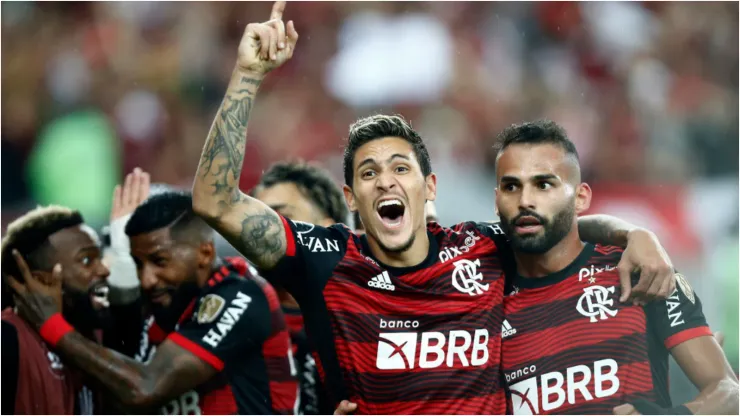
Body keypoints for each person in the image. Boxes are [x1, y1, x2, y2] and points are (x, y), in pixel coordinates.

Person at [190, 2, 677, 414]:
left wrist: (634, 234)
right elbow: (215, 201)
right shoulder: (328, 257)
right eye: (367, 173)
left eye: (400, 169)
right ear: (349, 198)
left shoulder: (482, 247)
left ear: (430, 188)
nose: (385, 180)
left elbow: (556, 225)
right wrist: (248, 76)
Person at [494, 120, 739, 415]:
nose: (525, 200)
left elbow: (728, 392)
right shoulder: (479, 294)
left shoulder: (641, 270)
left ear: (581, 197)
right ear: (497, 201)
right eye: (511, 186)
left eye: (544, 184)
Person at [8, 190, 299, 415]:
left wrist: (52, 326)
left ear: (205, 253)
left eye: (159, 261)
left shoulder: (239, 295)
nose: (147, 279)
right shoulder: (160, 308)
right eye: (138, 263)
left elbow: (146, 386)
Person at [251, 160, 348, 415]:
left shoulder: (364, 312)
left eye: (281, 217)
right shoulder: (237, 312)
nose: (262, 231)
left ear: (327, 231)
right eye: (254, 220)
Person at [1, 206, 109, 415]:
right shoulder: (6, 340)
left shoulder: (94, 333)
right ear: (39, 280)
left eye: (100, 257)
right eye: (86, 260)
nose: (104, 269)